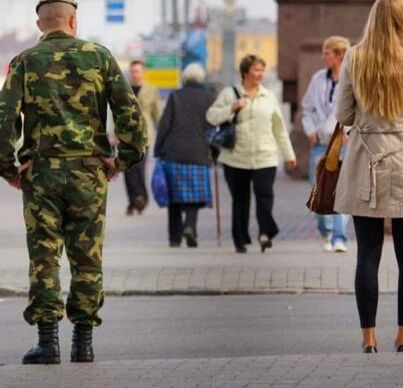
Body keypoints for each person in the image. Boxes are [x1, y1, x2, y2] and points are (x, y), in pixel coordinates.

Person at [0, 0, 146, 365]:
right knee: (87, 257)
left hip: (41, 174)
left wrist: (7, 168)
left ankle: (47, 342)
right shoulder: (100, 57)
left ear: (40, 24)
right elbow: (130, 115)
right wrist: (122, 161)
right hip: (89, 173)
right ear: (73, 22)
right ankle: (83, 341)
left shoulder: (25, 61)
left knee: (44, 256)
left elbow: (2, 119)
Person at [334, 0, 403, 354]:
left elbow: (344, 114)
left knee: (368, 254)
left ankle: (368, 337)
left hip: (366, 159)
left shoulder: (355, 57)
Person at [206, 54, 297, 253]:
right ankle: (240, 239)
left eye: (262, 70)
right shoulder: (230, 94)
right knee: (240, 199)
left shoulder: (269, 96)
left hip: (265, 155)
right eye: (256, 70)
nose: (260, 74)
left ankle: (265, 232)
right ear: (245, 72)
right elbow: (211, 116)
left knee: (265, 196)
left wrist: (289, 155)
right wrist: (232, 108)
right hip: (236, 157)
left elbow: (279, 129)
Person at [153, 62, 214, 248]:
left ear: (185, 78)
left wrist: (158, 148)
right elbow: (212, 128)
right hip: (199, 153)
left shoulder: (175, 96)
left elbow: (164, 125)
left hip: (173, 152)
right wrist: (216, 152)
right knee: (195, 195)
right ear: (201, 79)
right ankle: (190, 226)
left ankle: (174, 238)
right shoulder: (209, 98)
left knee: (174, 198)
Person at [302, 36, 351, 253]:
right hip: (320, 144)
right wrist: (310, 130)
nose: (323, 57)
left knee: (343, 191)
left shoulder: (351, 79)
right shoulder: (317, 79)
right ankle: (326, 232)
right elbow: (307, 107)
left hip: (344, 144)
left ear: (340, 55)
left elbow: (356, 110)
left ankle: (340, 237)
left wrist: (348, 131)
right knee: (319, 188)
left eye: (327, 53)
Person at [124, 60, 162, 215]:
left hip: (144, 136)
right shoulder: (123, 89)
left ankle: (141, 198)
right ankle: (133, 201)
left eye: (138, 71)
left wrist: (163, 134)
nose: (135, 74)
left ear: (143, 72)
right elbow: (115, 112)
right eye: (133, 71)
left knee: (139, 169)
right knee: (127, 170)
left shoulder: (151, 90)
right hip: (125, 136)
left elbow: (157, 114)